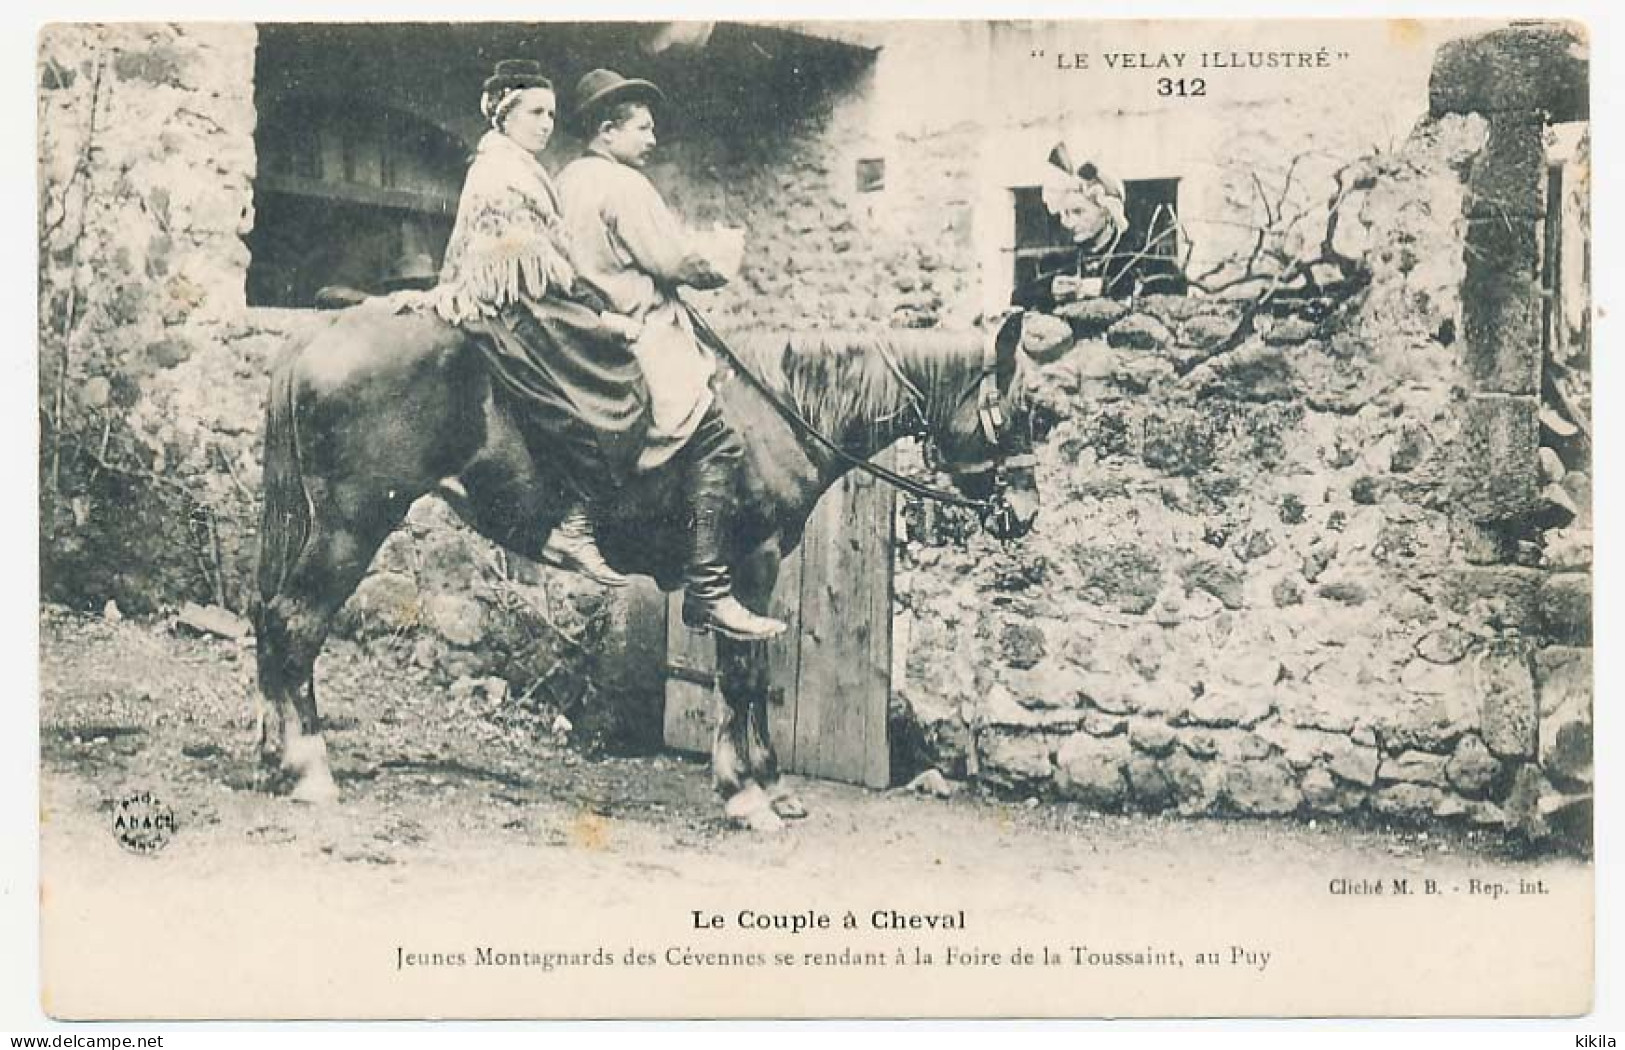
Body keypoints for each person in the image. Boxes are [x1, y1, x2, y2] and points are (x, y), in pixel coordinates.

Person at [557, 69, 786, 642]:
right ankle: (709, 588)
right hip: (636, 331)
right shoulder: (624, 186)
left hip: (584, 331)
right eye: (642, 127)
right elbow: (680, 262)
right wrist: (724, 248)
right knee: (717, 436)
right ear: (607, 131)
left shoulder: (566, 181)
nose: (653, 138)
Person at [433, 59, 646, 587]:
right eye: (535, 112)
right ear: (505, 115)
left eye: (551, 113)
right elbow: (525, 276)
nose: (546, 123)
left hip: (527, 299)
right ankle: (576, 524)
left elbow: (553, 264)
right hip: (509, 309)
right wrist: (601, 324)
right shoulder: (501, 173)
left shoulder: (523, 168)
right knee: (614, 385)